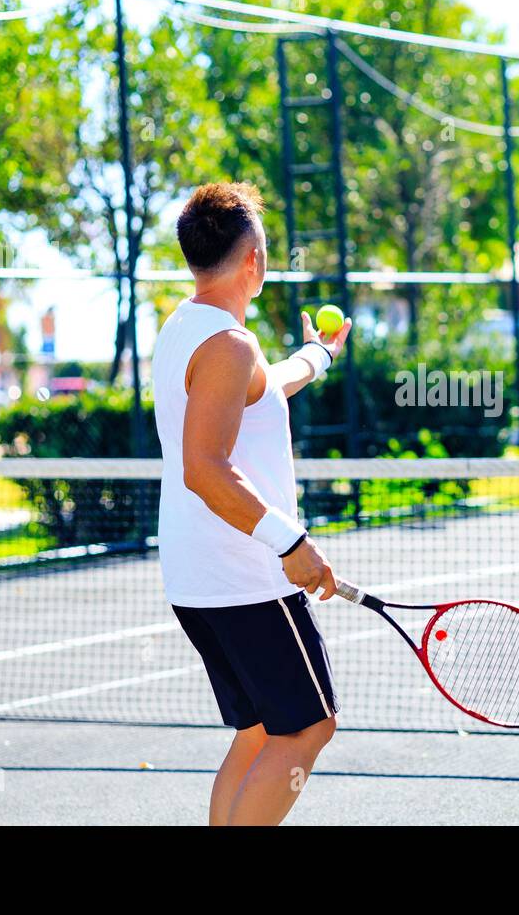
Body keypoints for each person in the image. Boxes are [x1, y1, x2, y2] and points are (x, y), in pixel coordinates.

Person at [152, 181, 351, 826]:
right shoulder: (228, 343)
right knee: (309, 728)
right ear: (253, 260)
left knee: (262, 729)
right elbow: (203, 470)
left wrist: (319, 354)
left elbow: (268, 389)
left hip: (199, 574)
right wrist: (290, 543)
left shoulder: (189, 328)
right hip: (245, 576)